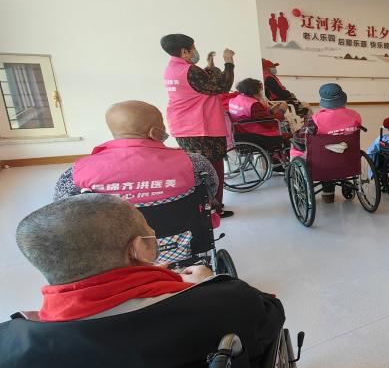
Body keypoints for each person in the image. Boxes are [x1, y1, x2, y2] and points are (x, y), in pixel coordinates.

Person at [1, 195, 285, 368]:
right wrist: (207, 285)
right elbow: (271, 314)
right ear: (138, 249)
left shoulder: (11, 351)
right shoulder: (222, 301)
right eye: (149, 230)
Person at [53, 101, 219, 264]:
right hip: (181, 245)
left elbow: (66, 212)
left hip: (114, 256)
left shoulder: (77, 173)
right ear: (155, 132)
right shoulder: (195, 163)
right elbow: (210, 190)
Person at [161, 33, 234, 216]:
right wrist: (229, 62)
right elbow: (222, 86)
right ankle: (213, 210)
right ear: (184, 51)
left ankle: (202, 208)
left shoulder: (172, 69)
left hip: (183, 126)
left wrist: (209, 68)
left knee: (197, 170)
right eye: (193, 47)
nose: (195, 51)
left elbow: (200, 85)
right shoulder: (190, 71)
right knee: (212, 169)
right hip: (202, 127)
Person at [290, 84, 363, 202]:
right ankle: (333, 187)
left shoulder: (316, 119)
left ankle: (326, 192)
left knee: (297, 149)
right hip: (347, 159)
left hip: (322, 164)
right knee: (333, 153)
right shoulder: (355, 116)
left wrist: (294, 136)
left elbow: (302, 138)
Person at [227, 79, 288, 155]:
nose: (261, 91)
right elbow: (268, 123)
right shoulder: (253, 104)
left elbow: (251, 116)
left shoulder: (234, 100)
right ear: (254, 90)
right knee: (289, 137)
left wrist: (270, 111)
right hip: (258, 135)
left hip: (241, 133)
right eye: (260, 89)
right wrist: (281, 111)